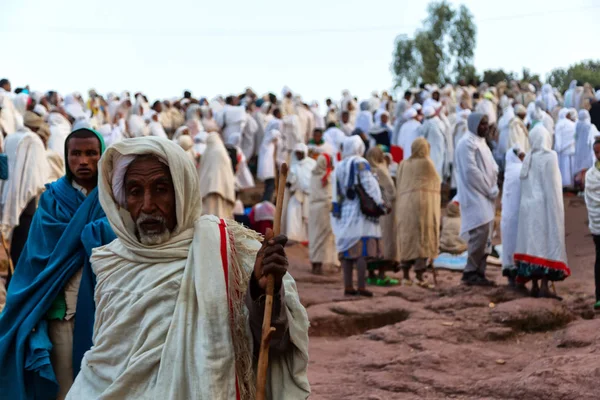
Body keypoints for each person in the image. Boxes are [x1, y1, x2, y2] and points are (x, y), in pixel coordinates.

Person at [65, 137, 310, 399]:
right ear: (123, 200)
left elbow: (275, 344)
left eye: (161, 189)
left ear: (182, 191)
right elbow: (105, 361)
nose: (147, 205)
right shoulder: (113, 263)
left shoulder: (230, 250)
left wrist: (260, 291)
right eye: (135, 192)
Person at [0, 128, 115, 400]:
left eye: (91, 153)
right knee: (66, 388)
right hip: (62, 313)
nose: (83, 161)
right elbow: (37, 259)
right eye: (76, 153)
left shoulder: (114, 199)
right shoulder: (52, 199)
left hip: (107, 314)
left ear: (102, 157)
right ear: (66, 157)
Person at [515, 125, 570, 298]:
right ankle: (545, 286)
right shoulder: (550, 157)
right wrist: (557, 213)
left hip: (527, 210)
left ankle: (535, 286)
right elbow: (553, 187)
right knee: (545, 246)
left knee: (532, 246)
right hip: (543, 209)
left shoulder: (528, 157)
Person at [331, 136, 384, 297]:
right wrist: (379, 203)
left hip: (344, 213)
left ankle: (348, 286)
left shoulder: (339, 165)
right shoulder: (360, 163)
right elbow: (369, 185)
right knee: (362, 251)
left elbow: (335, 192)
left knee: (347, 252)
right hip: (360, 213)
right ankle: (361, 286)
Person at [0, 113, 50, 268]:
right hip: (28, 200)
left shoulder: (11, 137)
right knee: (22, 244)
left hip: (8, 195)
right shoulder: (34, 141)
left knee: (14, 242)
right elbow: (38, 175)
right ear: (36, 128)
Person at [455, 113, 499, 286]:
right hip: (475, 194)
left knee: (487, 234)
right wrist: (487, 189)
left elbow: (492, 166)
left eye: (486, 124)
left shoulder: (481, 142)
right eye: (482, 124)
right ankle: (470, 271)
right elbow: (471, 172)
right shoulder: (466, 143)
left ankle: (480, 272)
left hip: (487, 195)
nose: (485, 127)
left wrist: (493, 187)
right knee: (479, 233)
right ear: (474, 124)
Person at [395, 138, 440, 286]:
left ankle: (406, 275)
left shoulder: (403, 164)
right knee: (422, 239)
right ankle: (420, 276)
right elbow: (436, 182)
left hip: (404, 207)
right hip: (422, 208)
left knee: (407, 238)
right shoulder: (426, 163)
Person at [366, 146, 398, 276]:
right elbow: (391, 192)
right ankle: (381, 272)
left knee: (371, 243)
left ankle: (371, 272)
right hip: (383, 213)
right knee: (383, 242)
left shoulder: (365, 170)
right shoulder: (380, 171)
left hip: (369, 213)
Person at [308, 153, 338, 275]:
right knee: (325, 236)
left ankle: (316, 263)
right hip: (325, 208)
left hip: (313, 208)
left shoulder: (313, 175)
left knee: (315, 235)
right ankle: (322, 264)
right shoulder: (328, 176)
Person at [501, 147, 525, 288]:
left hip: (507, 216)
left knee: (508, 247)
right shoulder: (521, 169)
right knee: (518, 246)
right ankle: (519, 279)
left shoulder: (509, 171)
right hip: (519, 216)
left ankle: (511, 278)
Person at [198, 133, 236, 219]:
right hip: (223, 190)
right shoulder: (223, 153)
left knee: (209, 218)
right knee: (221, 218)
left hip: (207, 190)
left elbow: (202, 171)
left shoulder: (208, 152)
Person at [285, 144, 316, 244]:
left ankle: (308, 239)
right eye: (296, 153)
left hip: (310, 195)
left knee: (308, 218)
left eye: (300, 153)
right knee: (293, 213)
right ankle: (295, 238)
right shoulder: (294, 166)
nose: (298, 155)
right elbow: (290, 182)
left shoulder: (312, 164)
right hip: (297, 194)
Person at [585, 139, 600, 309]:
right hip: (597, 225)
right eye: (596, 152)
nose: (598, 155)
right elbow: (590, 200)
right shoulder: (590, 175)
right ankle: (599, 296)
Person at [420, 106, 449, 182]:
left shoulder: (428, 123)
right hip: (440, 148)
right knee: (439, 166)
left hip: (431, 149)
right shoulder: (439, 122)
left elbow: (422, 132)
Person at [574, 109, 599, 189]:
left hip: (579, 150)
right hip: (588, 150)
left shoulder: (577, 125)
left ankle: (581, 186)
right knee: (588, 169)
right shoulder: (590, 126)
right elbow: (595, 137)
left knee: (581, 169)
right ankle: (587, 187)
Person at [257, 128, 283, 202]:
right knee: (270, 186)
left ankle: (267, 201)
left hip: (270, 171)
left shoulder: (268, 144)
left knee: (270, 187)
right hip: (269, 171)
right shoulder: (268, 145)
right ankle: (266, 201)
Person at [554, 108, 577, 189]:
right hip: (572, 149)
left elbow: (558, 139)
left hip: (563, 151)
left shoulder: (559, 125)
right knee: (572, 168)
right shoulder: (573, 124)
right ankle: (573, 185)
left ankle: (565, 185)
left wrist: (557, 149)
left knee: (564, 169)